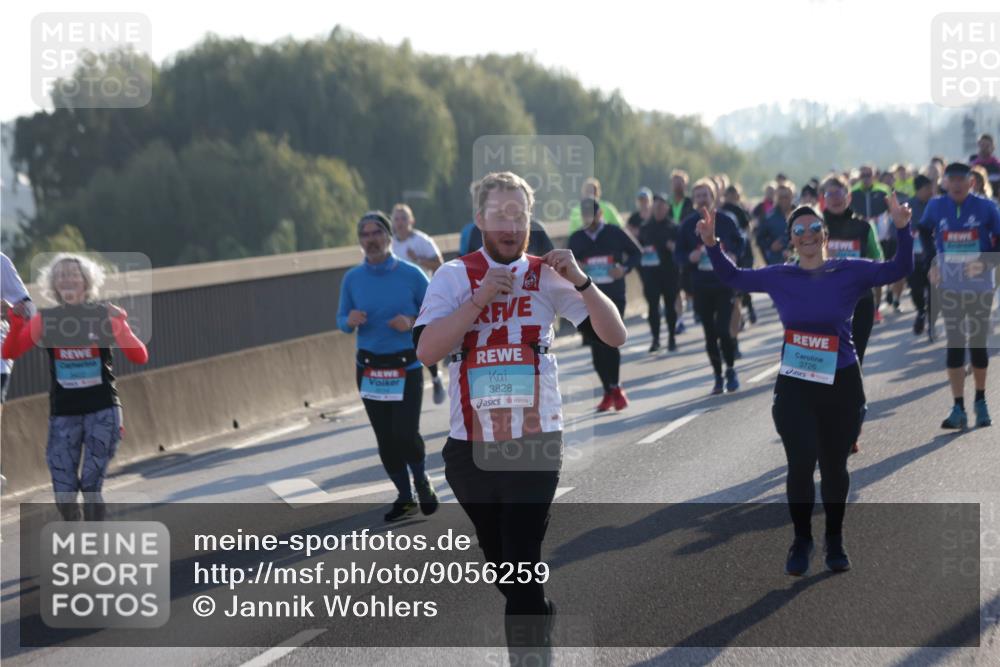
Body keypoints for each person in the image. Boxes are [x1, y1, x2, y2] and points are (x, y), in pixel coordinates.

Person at [413, 171, 627, 656]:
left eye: (519, 215)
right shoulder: (454, 276)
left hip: (535, 441)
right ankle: (538, 609)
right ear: (479, 219)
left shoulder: (547, 274)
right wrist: (479, 299)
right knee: (502, 564)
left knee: (522, 558)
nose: (510, 226)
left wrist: (582, 281)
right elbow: (427, 351)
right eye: (499, 215)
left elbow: (614, 336)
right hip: (470, 448)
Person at [700, 194, 914, 575]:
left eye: (814, 227)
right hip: (796, 384)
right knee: (800, 465)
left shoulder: (850, 271)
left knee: (833, 467)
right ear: (791, 240)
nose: (808, 234)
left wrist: (902, 227)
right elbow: (733, 276)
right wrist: (712, 245)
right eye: (799, 230)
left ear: (825, 235)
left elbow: (900, 267)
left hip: (841, 382)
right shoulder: (780, 276)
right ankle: (801, 540)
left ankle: (834, 539)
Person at [2, 253, 149, 521]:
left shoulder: (103, 315)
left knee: (91, 486)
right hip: (64, 413)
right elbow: (10, 352)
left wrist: (122, 324)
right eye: (61, 275)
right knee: (64, 492)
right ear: (54, 284)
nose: (67, 279)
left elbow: (139, 356)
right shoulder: (45, 320)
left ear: (86, 281)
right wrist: (16, 323)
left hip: (102, 410)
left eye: (73, 274)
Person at [337, 211, 438, 522]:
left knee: (405, 433)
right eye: (364, 235)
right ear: (360, 241)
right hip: (370, 368)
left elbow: (435, 312)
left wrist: (410, 320)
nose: (371, 240)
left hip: (405, 367)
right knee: (385, 438)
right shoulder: (352, 278)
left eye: (376, 233)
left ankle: (422, 481)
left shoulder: (412, 274)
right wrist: (349, 320)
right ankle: (405, 497)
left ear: (388, 237)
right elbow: (341, 320)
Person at [920, 162, 1000, 429]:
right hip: (949, 285)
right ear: (944, 183)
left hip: (979, 286)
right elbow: (924, 231)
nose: (956, 184)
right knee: (955, 343)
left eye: (960, 179)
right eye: (951, 180)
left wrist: (985, 263)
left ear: (971, 183)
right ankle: (958, 407)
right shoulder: (936, 206)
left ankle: (980, 400)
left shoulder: (986, 207)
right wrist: (931, 263)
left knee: (977, 343)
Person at [568, 198, 641, 410]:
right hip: (588, 298)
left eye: (592, 215)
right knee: (595, 347)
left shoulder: (614, 232)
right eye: (585, 215)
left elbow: (636, 253)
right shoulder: (576, 238)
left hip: (614, 295)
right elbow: (565, 264)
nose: (588, 219)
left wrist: (624, 269)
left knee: (610, 341)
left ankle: (615, 386)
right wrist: (576, 266)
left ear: (600, 214)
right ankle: (609, 391)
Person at [676, 178, 744, 394]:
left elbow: (740, 243)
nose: (702, 199)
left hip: (723, 284)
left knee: (723, 330)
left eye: (705, 195)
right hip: (701, 286)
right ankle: (717, 375)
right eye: (698, 196)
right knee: (709, 333)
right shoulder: (687, 225)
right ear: (693, 200)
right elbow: (678, 254)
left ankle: (730, 369)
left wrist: (734, 254)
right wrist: (690, 257)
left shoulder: (726, 220)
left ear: (713, 197)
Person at [821, 173, 883, 365]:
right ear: (824, 199)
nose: (835, 198)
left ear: (848, 197)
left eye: (839, 193)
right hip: (827, 302)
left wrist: (877, 301)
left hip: (860, 301)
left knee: (856, 359)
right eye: (830, 194)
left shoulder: (863, 226)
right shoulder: (816, 227)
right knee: (830, 361)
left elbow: (877, 262)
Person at [391, 204, 447, 405]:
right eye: (396, 219)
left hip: (422, 297)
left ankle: (435, 376)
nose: (400, 223)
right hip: (398, 298)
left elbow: (440, 264)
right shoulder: (389, 244)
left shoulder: (421, 240)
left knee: (421, 339)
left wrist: (419, 259)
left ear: (411, 221)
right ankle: (400, 387)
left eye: (403, 218)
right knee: (402, 341)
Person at [638, 193, 681, 352]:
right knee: (653, 308)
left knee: (670, 307)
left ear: (667, 208)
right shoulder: (644, 227)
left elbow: (681, 250)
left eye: (662, 207)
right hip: (651, 274)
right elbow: (637, 250)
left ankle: (671, 338)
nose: (659, 210)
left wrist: (673, 247)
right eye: (656, 207)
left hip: (669, 273)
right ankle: (655, 339)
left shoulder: (674, 227)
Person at [907, 175, 935, 337]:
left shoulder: (937, 205)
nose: (931, 191)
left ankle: (931, 321)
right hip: (913, 257)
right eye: (927, 189)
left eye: (932, 188)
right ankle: (920, 312)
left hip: (933, 257)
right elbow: (896, 230)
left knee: (933, 291)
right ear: (918, 190)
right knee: (916, 289)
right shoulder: (907, 206)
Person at [460, 218, 555, 257]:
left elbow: (550, 261)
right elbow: (466, 263)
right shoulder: (471, 231)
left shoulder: (536, 228)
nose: (510, 231)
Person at [757, 182, 794, 266]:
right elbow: (759, 239)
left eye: (786, 197)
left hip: (798, 261)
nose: (784, 200)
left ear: (792, 196)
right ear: (776, 198)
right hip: (777, 263)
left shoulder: (799, 215)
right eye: (780, 197)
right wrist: (770, 245)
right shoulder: (768, 217)